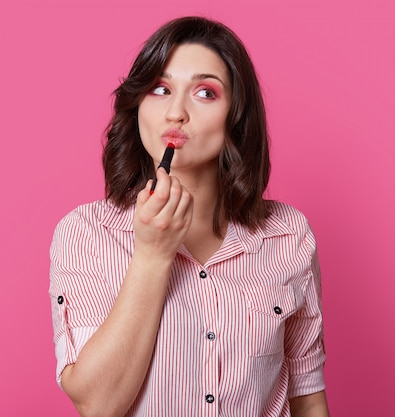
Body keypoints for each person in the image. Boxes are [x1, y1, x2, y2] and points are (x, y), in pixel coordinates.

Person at [49, 16, 329, 417]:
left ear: (237, 115)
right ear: (137, 106)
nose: (176, 112)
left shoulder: (288, 235)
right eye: (160, 89)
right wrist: (151, 256)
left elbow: (308, 397)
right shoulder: (87, 234)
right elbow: (98, 405)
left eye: (205, 92)